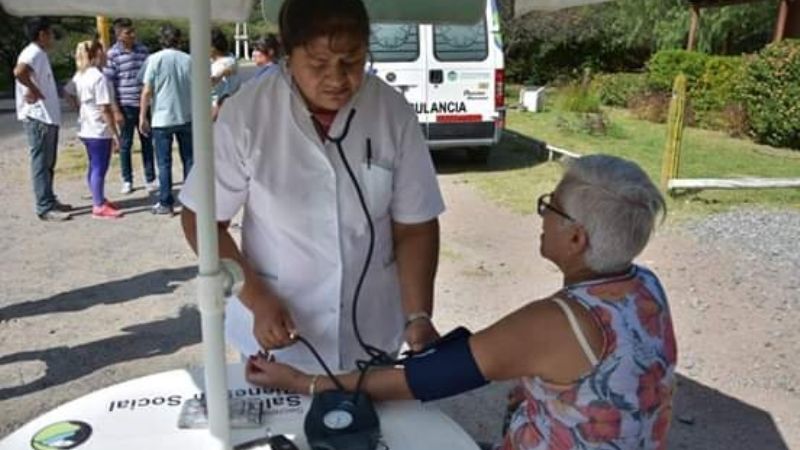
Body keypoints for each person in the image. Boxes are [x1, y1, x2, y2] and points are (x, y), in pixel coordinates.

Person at [246, 155, 677, 450]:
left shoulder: (557, 322)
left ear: (577, 238)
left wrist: (300, 383)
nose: (543, 215)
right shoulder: (645, 287)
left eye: (552, 207)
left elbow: (423, 380)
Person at [179, 0, 444, 372]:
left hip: (371, 331)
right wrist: (255, 298)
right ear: (288, 55)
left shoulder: (391, 111)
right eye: (318, 64)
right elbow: (201, 220)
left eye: (351, 62)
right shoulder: (248, 113)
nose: (337, 79)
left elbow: (415, 226)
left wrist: (418, 315)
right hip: (275, 332)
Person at [14, 17, 71, 221]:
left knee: (48, 161)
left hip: (47, 117)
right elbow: (19, 72)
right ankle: (44, 206)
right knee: (41, 161)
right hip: (38, 117)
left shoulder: (40, 54)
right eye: (50, 33)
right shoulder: (33, 52)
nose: (52, 37)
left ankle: (49, 197)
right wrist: (33, 89)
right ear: (42, 35)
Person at [64, 40, 123, 220]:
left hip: (85, 127)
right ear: (96, 54)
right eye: (103, 52)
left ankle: (98, 198)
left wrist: (79, 107)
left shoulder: (79, 75)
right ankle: (98, 206)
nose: (105, 56)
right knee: (99, 167)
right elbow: (105, 108)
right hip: (98, 129)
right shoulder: (99, 77)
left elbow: (66, 91)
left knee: (93, 165)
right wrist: (115, 133)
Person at [139, 24, 193, 216]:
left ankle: (165, 202)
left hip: (162, 117)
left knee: (163, 162)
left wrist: (142, 116)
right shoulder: (189, 59)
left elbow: (147, 90)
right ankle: (191, 201)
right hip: (186, 115)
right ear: (179, 40)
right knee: (189, 160)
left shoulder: (154, 59)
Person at [104, 17, 156, 195]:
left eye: (133, 31)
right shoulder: (112, 55)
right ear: (119, 35)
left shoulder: (143, 51)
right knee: (126, 144)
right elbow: (109, 84)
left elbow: (150, 76)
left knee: (147, 141)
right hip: (125, 105)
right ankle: (127, 179)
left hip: (144, 104)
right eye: (128, 32)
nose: (133, 35)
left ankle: (150, 179)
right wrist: (115, 110)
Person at [210, 27, 241, 121]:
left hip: (219, 110)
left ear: (213, 47)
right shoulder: (228, 58)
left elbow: (227, 91)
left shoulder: (226, 63)